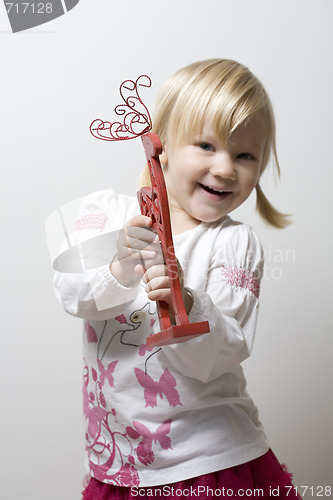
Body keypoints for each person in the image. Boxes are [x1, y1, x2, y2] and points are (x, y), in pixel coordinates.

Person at [53, 59, 300, 499]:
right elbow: (74, 295)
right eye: (206, 145)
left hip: (211, 461)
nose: (226, 169)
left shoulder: (234, 244)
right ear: (160, 146)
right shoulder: (104, 213)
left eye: (245, 155)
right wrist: (120, 267)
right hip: (121, 466)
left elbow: (217, 357)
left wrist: (185, 298)